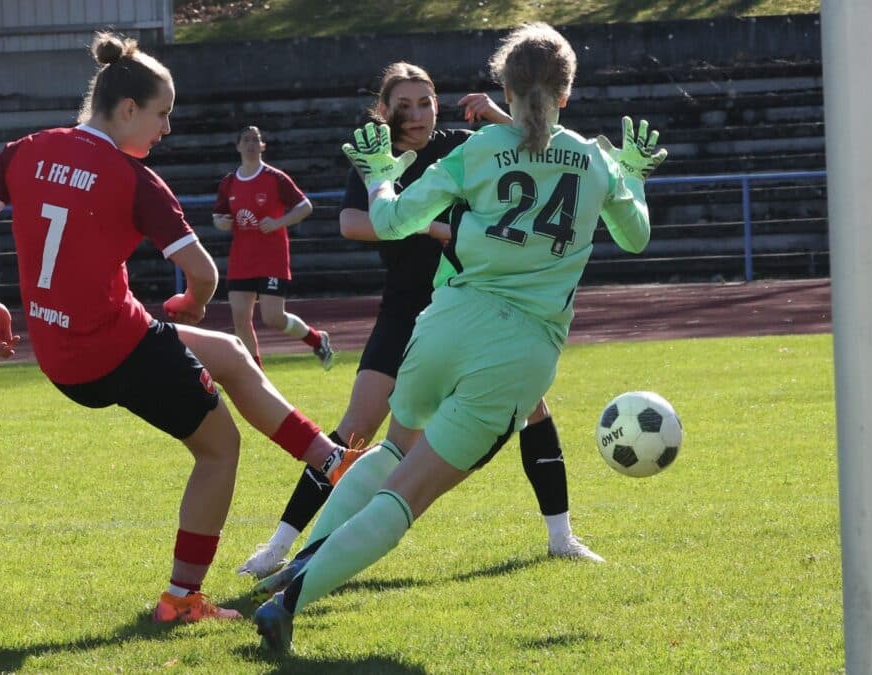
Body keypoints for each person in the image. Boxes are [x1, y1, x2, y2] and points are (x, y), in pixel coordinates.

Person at [253, 22, 666, 652]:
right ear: (567, 91)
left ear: (504, 84)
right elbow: (636, 236)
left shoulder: (473, 152)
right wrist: (632, 172)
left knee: (392, 452)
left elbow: (390, 220)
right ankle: (290, 599)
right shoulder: (592, 158)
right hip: (521, 347)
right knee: (410, 492)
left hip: (446, 321)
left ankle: (300, 564)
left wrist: (378, 171)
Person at [0, 32, 361, 623]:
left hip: (61, 348)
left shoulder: (28, 148)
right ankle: (181, 599)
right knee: (219, 450)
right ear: (129, 109)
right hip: (114, 350)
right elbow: (204, 274)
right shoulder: (134, 179)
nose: (166, 129)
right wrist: (190, 303)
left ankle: (329, 461)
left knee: (233, 355)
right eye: (162, 114)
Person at [236, 60, 601, 580]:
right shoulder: (374, 156)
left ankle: (562, 536)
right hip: (409, 305)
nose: (416, 114)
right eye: (402, 105)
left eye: (424, 102)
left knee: (533, 411)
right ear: (383, 111)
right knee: (357, 428)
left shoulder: (461, 144)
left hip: (470, 305)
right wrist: (428, 227)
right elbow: (352, 223)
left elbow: (537, 140)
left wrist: (498, 108)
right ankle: (281, 545)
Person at [213, 126, 335, 370]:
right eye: (245, 140)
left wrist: (279, 222)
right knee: (240, 320)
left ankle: (316, 339)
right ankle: (257, 376)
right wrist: (221, 223)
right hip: (242, 259)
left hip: (272, 258)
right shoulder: (229, 183)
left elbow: (305, 206)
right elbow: (219, 216)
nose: (250, 144)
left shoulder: (275, 178)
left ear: (263, 146)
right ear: (237, 146)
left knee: (273, 318)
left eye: (255, 140)